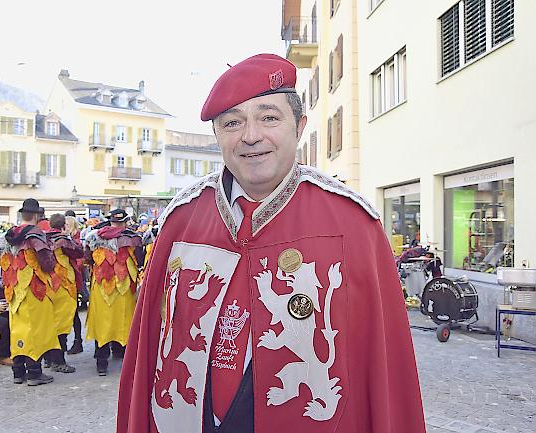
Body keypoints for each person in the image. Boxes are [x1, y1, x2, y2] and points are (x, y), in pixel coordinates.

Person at [116, 54, 425, 433]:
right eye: (233, 123)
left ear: (299, 126)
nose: (250, 136)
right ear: (218, 136)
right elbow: (150, 350)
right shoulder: (180, 222)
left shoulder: (353, 225)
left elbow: (386, 370)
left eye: (269, 117)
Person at [0, 198, 58, 386]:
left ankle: (18, 372)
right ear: (37, 216)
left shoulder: (8, 235)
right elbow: (47, 263)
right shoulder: (36, 236)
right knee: (34, 330)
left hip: (14, 290)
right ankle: (34, 373)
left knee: (18, 329)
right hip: (33, 288)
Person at [84, 209, 142, 376]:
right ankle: (123, 356)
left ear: (110, 221)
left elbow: (87, 258)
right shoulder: (133, 238)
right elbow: (139, 258)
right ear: (125, 222)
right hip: (124, 285)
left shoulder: (93, 237)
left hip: (101, 285)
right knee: (124, 320)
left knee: (102, 320)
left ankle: (101, 362)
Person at [44, 213, 83, 373]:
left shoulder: (42, 239)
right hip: (63, 286)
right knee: (62, 324)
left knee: (48, 322)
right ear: (64, 226)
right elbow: (79, 252)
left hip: (46, 285)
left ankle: (48, 358)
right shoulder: (65, 241)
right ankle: (59, 361)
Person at [64, 215, 86, 354]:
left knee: (73, 313)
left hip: (73, 281)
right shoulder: (67, 240)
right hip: (69, 280)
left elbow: (80, 262)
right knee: (72, 313)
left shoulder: (74, 241)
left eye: (66, 224)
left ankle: (77, 341)